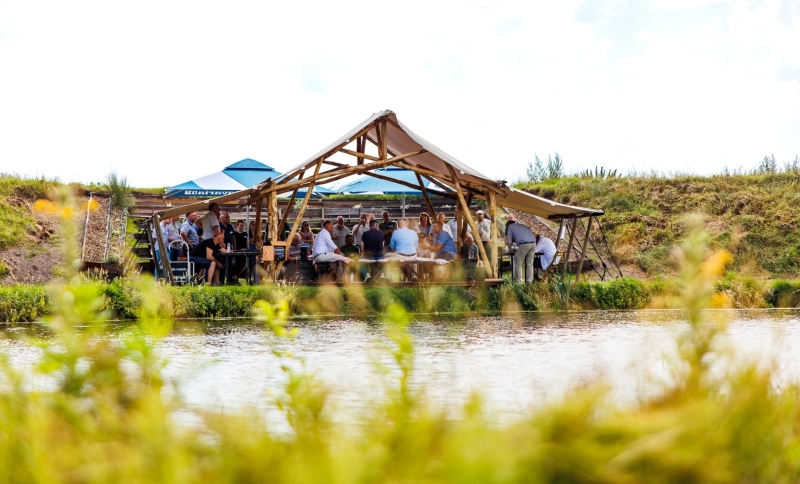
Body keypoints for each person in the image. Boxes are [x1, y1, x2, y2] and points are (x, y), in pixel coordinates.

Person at [505, 220, 537, 284]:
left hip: (524, 244)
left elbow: (509, 241)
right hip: (533, 243)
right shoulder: (521, 225)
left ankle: (518, 281)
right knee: (530, 263)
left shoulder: (510, 227)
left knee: (517, 262)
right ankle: (529, 282)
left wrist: (510, 250)